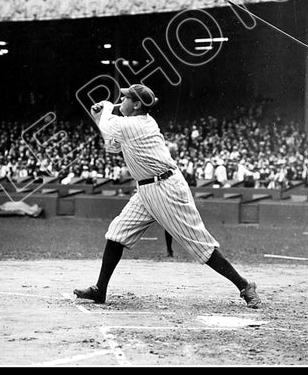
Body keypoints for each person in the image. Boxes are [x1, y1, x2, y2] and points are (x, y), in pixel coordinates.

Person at [73, 83, 261, 308]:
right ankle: (100, 290)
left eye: (125, 99)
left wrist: (104, 109)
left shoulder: (138, 123)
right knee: (116, 234)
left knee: (198, 244)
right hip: (146, 190)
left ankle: (244, 285)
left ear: (137, 104)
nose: (121, 101)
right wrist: (99, 118)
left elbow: (110, 125)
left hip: (166, 188)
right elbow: (112, 146)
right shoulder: (129, 124)